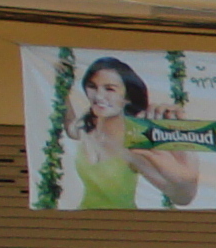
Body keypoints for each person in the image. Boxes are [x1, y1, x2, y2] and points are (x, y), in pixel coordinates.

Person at [69, 56, 203, 210]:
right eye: (92, 86)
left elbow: (182, 198)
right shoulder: (87, 126)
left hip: (122, 227)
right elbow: (70, 129)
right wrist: (63, 94)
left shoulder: (134, 146)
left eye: (110, 89)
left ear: (127, 97)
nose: (98, 96)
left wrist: (187, 176)